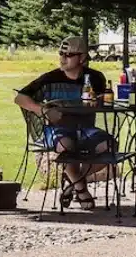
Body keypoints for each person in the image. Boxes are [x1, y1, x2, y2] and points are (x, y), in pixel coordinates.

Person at [15, 35, 116, 210]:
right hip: (57, 129)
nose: (62, 58)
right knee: (67, 147)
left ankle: (73, 181)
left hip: (86, 129)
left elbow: (104, 99)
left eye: (68, 55)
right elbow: (20, 97)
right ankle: (81, 189)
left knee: (110, 147)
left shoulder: (95, 78)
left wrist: (99, 100)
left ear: (82, 57)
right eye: (61, 54)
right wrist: (43, 110)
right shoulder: (49, 79)